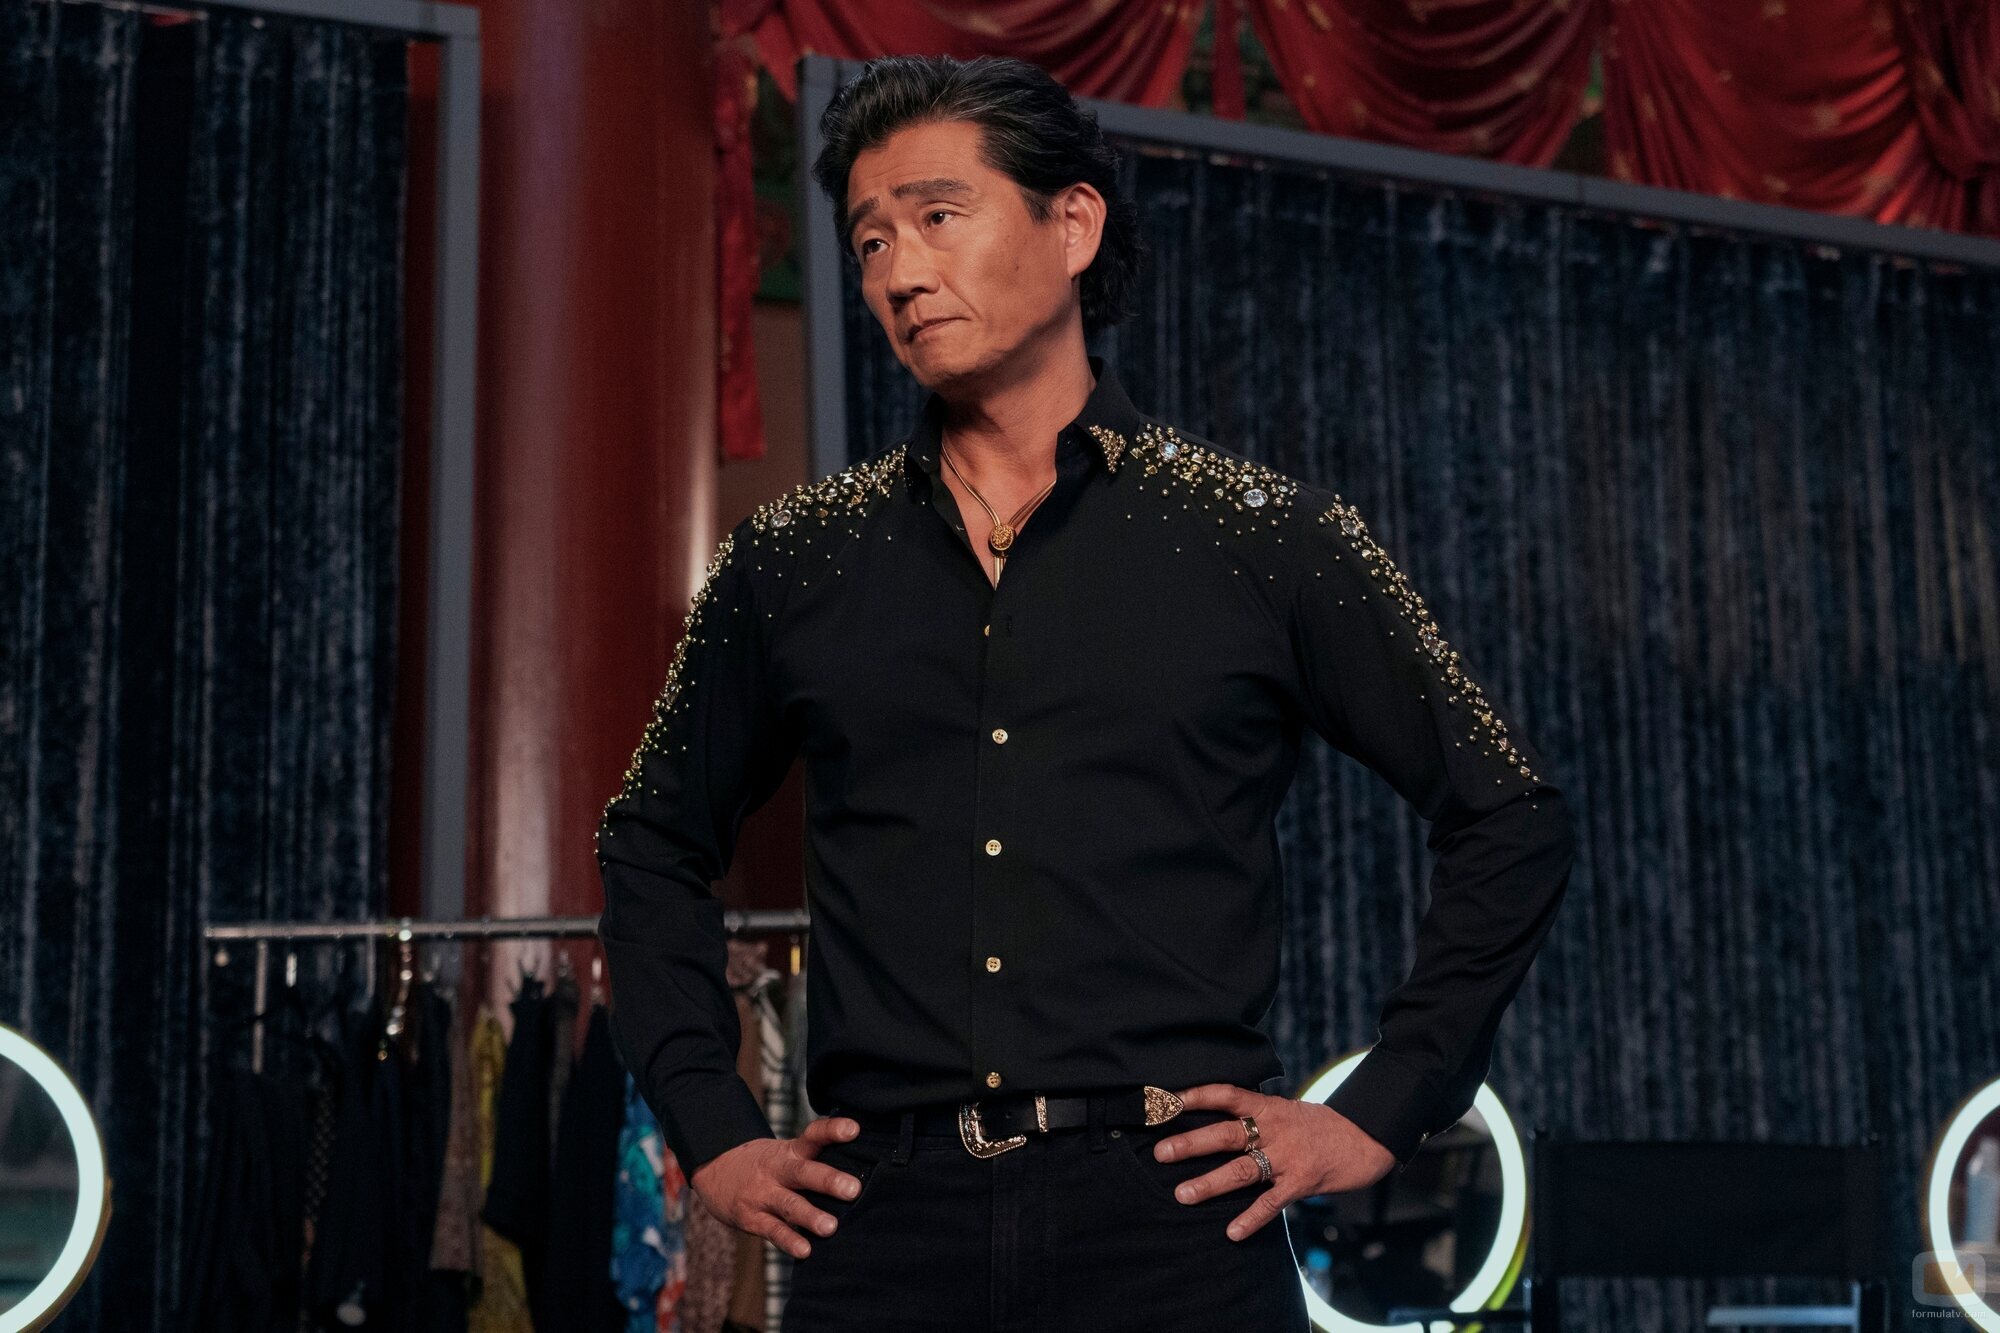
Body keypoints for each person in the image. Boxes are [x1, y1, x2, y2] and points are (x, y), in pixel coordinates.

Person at [594, 52, 1576, 1331]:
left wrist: (1383, 1106)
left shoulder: (1262, 534)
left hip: (1177, 1221)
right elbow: (648, 840)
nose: (898, 272)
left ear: (1071, 224)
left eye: (937, 216)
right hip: (884, 1227)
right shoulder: (790, 559)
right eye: (870, 239)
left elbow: (1509, 813)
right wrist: (711, 1124)